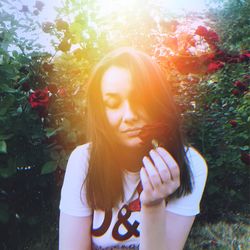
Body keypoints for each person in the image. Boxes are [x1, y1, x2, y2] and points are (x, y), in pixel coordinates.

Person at [59, 47, 208, 250]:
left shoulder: (190, 165)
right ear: (100, 111)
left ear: (158, 101)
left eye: (140, 99)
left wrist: (153, 205)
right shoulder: (84, 161)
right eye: (112, 103)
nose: (129, 115)